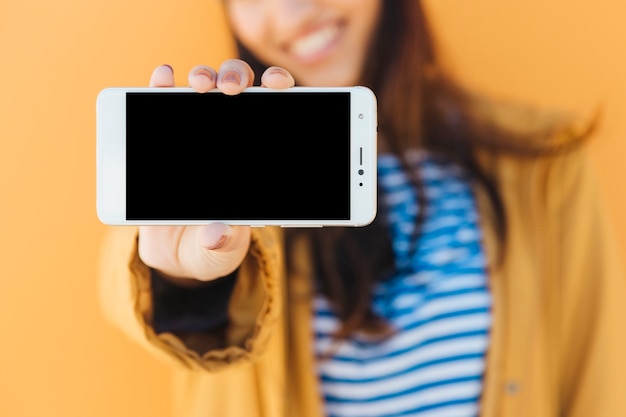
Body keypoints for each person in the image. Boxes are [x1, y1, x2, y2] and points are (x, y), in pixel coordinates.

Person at [98, 1, 626, 416]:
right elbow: (133, 284)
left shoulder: (545, 166)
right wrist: (187, 278)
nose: (290, 13)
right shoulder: (237, 200)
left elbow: (597, 390)